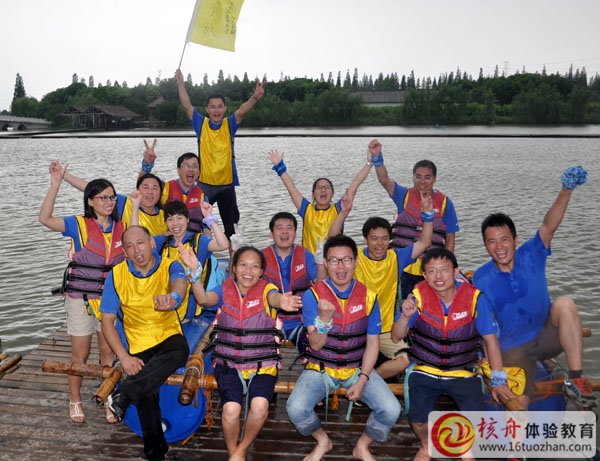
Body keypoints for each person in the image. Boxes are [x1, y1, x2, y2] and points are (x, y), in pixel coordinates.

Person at [473, 165, 597, 410]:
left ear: (515, 240)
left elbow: (549, 226)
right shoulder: (481, 277)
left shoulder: (531, 254)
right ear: (486, 245)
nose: (499, 247)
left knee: (565, 304)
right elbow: (483, 321)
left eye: (504, 239)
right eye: (492, 241)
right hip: (513, 348)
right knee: (520, 405)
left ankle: (576, 378)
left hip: (546, 336)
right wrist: (485, 355)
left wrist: (566, 190)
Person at [179, 244, 301, 461]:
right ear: (233, 268)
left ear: (262, 271)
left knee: (260, 406)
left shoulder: (268, 290)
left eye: (255, 266)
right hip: (228, 363)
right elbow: (204, 299)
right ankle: (232, 451)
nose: (248, 271)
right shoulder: (224, 289)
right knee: (231, 410)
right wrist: (195, 275)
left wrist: (283, 301)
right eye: (243, 265)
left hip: (263, 365)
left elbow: (275, 298)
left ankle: (241, 449)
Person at [392, 248, 514, 461]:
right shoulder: (417, 297)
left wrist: (498, 381)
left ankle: (464, 446)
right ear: (424, 275)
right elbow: (396, 336)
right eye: (432, 271)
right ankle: (426, 444)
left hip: (462, 371)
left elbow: (491, 341)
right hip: (426, 369)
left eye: (444, 270)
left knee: (476, 420)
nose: (438, 277)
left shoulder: (476, 299)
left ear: (456, 271)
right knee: (417, 419)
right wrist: (405, 316)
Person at [286, 235, 401, 461]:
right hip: (320, 367)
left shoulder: (369, 297)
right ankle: (322, 440)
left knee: (391, 409)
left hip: (356, 368)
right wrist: (324, 321)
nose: (341, 267)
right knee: (295, 408)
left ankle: (362, 446)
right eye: (334, 260)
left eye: (347, 260)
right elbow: (316, 344)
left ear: (356, 262)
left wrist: (362, 380)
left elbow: (373, 343)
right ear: (326, 263)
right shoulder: (313, 296)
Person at [39, 162, 126, 424]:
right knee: (81, 354)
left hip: (109, 300)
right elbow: (45, 219)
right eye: (103, 198)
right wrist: (56, 184)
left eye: (112, 197)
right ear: (90, 201)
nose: (109, 202)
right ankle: (75, 399)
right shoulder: (78, 224)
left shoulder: (122, 227)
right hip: (81, 299)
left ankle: (108, 398)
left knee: (108, 353)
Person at [101, 226, 188, 461]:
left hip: (167, 333)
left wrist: (173, 298)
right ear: (125, 253)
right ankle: (155, 453)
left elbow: (180, 284)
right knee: (146, 388)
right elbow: (107, 321)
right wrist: (124, 357)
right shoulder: (116, 275)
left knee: (180, 351)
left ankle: (124, 394)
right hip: (138, 340)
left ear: (151, 243)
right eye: (129, 246)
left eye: (140, 243)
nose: (136, 250)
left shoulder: (170, 265)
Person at [175, 69, 266, 239]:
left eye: (219, 106)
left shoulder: (229, 124)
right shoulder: (201, 124)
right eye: (212, 107)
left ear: (224, 108)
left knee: (232, 230)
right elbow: (187, 105)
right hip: (204, 185)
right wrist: (180, 82)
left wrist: (254, 97)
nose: (216, 110)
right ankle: (199, 253)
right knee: (197, 225)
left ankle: (233, 255)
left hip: (226, 185)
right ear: (207, 109)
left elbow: (242, 111)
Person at [371, 139, 459, 299]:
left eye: (427, 177)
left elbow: (450, 239)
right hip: (401, 264)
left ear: (434, 179)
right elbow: (384, 180)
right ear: (413, 178)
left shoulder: (446, 203)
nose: (422, 182)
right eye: (418, 177)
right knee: (399, 303)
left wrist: (447, 266)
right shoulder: (403, 195)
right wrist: (377, 159)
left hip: (429, 267)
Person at [354, 213, 432, 381]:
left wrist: (427, 215)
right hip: (357, 327)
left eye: (384, 238)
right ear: (366, 239)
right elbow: (333, 243)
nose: (379, 243)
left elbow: (425, 243)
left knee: (406, 359)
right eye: (374, 238)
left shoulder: (396, 257)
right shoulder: (355, 257)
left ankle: (366, 382)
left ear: (390, 239)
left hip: (386, 329)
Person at [268, 140, 375, 254]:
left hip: (333, 261)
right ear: (313, 194)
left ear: (332, 193)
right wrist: (280, 167)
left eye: (327, 187)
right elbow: (291, 188)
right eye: (319, 187)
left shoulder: (340, 208)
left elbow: (355, 184)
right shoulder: (306, 209)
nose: (323, 190)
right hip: (309, 262)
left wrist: (369, 163)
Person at [154, 200, 229, 320]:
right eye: (170, 219)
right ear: (166, 222)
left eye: (179, 218)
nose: (175, 224)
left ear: (188, 219)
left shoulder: (199, 240)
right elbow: (138, 242)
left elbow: (223, 245)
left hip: (189, 309)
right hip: (164, 303)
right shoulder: (162, 241)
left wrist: (209, 218)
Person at [261, 212, 326, 347]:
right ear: (271, 234)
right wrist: (235, 254)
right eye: (279, 228)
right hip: (269, 322)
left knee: (313, 350)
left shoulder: (306, 255)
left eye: (289, 227)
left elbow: (321, 287)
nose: (285, 232)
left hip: (301, 322)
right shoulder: (261, 257)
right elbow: (242, 284)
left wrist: (321, 264)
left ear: (295, 234)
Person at [55, 158, 167, 236]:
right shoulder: (125, 204)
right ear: (137, 190)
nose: (150, 192)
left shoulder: (166, 216)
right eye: (145, 187)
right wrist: (63, 175)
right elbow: (92, 189)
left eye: (155, 188)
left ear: (161, 192)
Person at [140, 140, 209, 235]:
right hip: (166, 237)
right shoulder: (164, 188)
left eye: (195, 166)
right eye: (186, 166)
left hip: (193, 239)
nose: (191, 169)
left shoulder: (203, 197)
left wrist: (208, 242)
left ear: (199, 172)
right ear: (178, 170)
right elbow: (142, 186)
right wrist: (147, 165)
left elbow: (206, 227)